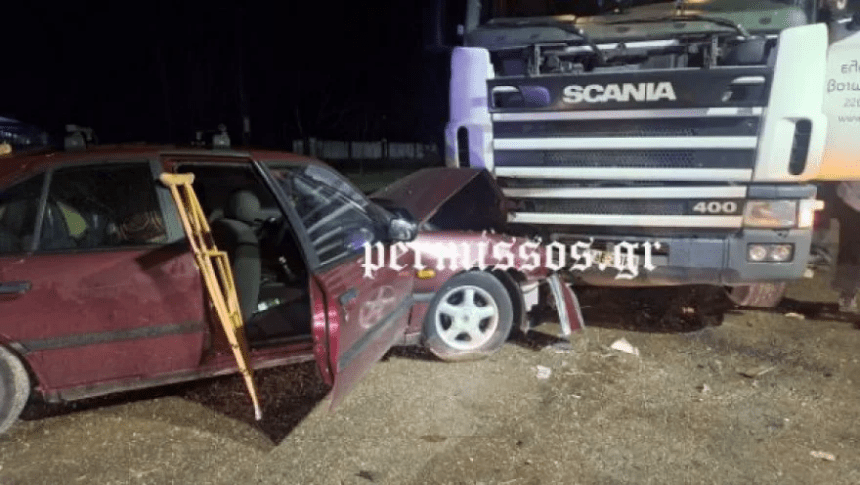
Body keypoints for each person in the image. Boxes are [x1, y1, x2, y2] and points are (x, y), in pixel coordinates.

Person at [832, 180, 860, 312]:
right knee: (850, 250)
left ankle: (848, 294)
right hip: (851, 203)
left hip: (850, 200)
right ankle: (847, 294)